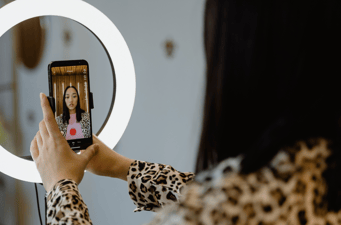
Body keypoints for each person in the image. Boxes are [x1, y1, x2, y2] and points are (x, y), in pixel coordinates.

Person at [30, 0, 341, 224]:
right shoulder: (320, 171)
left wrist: (60, 187)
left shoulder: (210, 212)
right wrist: (121, 167)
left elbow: (220, 201)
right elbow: (218, 191)